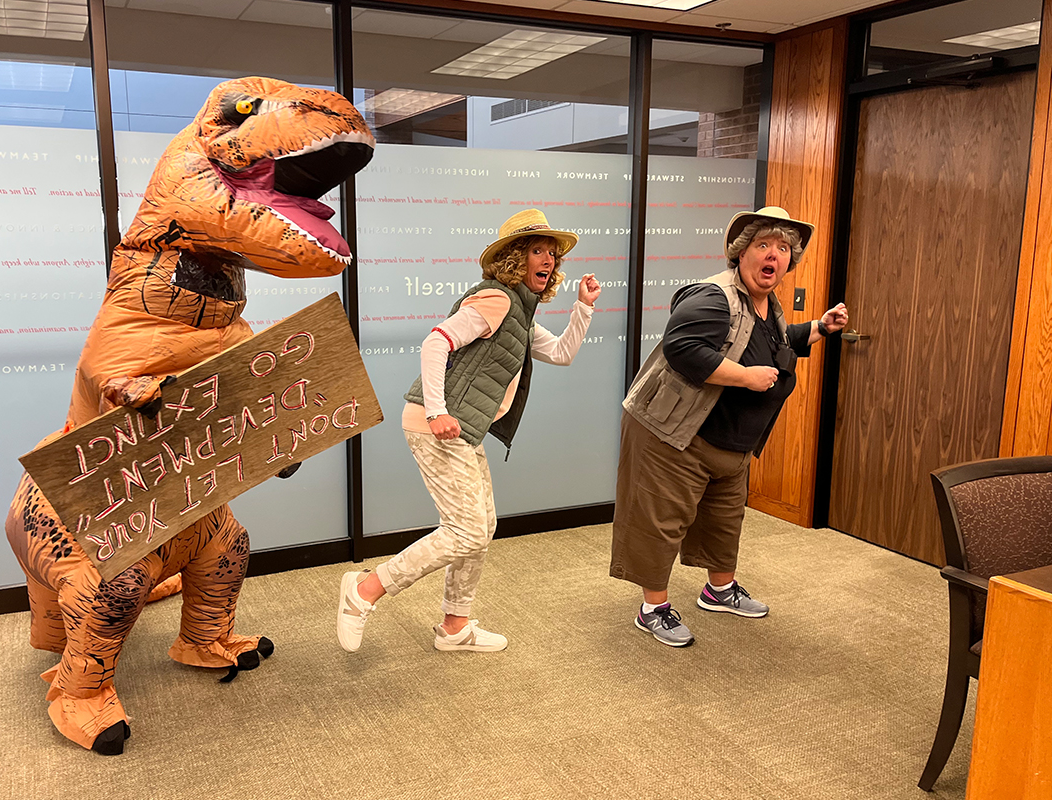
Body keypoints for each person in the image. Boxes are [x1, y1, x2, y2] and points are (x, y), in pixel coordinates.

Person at [337, 208, 603, 653]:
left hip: (463, 428)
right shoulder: (496, 300)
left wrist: (583, 308)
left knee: (482, 525)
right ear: (516, 258)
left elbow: (561, 353)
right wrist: (438, 410)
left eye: (552, 255)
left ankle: (455, 625)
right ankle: (365, 589)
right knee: (467, 530)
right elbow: (435, 341)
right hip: (434, 424)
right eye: (538, 250)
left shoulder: (520, 311)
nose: (549, 261)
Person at [610, 206, 849, 647]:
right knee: (660, 521)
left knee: (724, 519)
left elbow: (771, 343)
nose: (773, 255)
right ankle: (653, 608)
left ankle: (718, 590)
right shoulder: (713, 296)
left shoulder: (765, 303)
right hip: (674, 434)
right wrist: (745, 377)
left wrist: (818, 327)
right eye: (763, 245)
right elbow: (682, 347)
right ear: (740, 253)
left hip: (729, 440)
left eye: (782, 248)